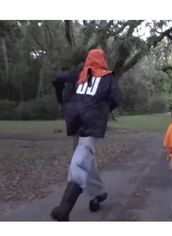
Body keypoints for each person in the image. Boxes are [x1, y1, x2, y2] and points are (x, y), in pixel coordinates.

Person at [51, 49, 122, 221]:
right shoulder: (108, 78)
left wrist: (61, 100)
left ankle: (79, 201)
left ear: (88, 60)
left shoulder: (78, 74)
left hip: (75, 120)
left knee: (82, 156)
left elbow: (57, 80)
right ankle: (85, 198)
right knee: (83, 158)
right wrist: (104, 110)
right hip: (91, 122)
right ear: (102, 60)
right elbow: (116, 98)